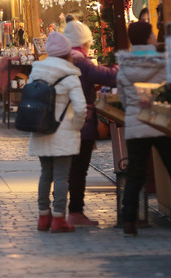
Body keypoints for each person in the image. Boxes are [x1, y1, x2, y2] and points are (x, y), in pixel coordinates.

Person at [117, 21, 171, 237]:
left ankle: (129, 221)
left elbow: (124, 100)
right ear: (149, 38)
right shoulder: (165, 63)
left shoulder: (125, 66)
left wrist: (135, 111)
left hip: (137, 124)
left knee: (135, 174)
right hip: (162, 122)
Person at [28, 32, 87, 233]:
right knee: (62, 176)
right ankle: (59, 218)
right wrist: (76, 126)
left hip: (41, 129)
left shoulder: (36, 71)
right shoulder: (70, 75)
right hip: (63, 132)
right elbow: (80, 107)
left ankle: (43, 216)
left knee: (46, 173)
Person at [64, 20, 118, 227]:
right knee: (79, 168)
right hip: (80, 123)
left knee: (68, 168)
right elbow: (110, 77)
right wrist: (122, 65)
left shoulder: (63, 58)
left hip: (64, 122)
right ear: (83, 42)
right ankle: (76, 212)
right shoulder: (81, 61)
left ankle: (61, 210)